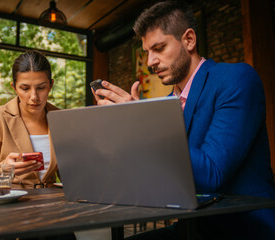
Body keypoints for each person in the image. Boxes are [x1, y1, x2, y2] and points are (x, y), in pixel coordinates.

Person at [92, 0, 275, 239]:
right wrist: (123, 133)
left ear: (189, 40)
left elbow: (212, 174)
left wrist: (142, 120)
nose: (150, 62)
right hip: (193, 227)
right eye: (147, 52)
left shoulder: (236, 79)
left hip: (243, 229)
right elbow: (156, 180)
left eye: (159, 48)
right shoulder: (166, 105)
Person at [0, 50, 59, 192]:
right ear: (14, 87)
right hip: (13, 206)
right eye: (25, 88)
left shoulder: (61, 118)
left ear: (50, 85)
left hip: (54, 204)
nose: (34, 97)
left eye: (41, 88)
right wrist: (4, 170)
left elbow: (73, 176)